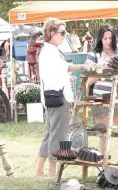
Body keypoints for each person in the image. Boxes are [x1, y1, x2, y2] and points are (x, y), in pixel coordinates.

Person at [35, 18, 93, 177]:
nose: (64, 35)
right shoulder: (51, 51)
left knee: (49, 134)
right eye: (61, 32)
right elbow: (66, 67)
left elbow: (59, 71)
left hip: (51, 96)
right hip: (59, 97)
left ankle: (39, 171)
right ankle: (52, 173)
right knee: (57, 135)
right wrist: (84, 66)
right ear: (51, 33)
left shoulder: (48, 50)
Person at [85, 23, 118, 154]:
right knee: (103, 133)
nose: (108, 42)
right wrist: (102, 69)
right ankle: (104, 164)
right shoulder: (93, 55)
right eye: (105, 39)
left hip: (117, 97)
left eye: (110, 38)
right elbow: (89, 80)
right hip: (100, 99)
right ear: (100, 39)